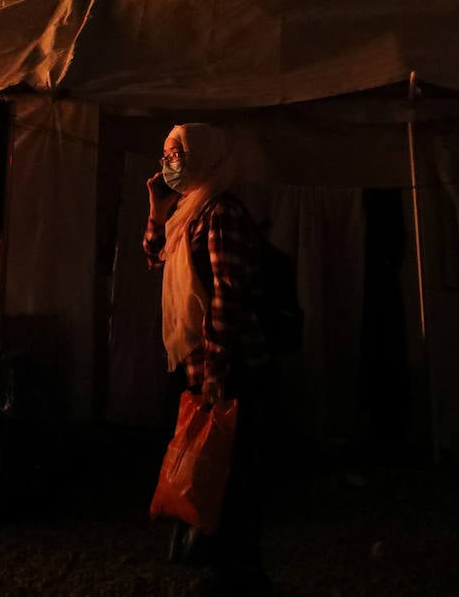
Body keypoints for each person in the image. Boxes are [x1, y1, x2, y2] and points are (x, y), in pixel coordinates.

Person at [143, 123, 273, 595]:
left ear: (205, 156)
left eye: (177, 153)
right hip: (202, 364)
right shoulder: (189, 210)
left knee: (233, 472)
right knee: (211, 465)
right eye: (166, 153)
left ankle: (239, 575)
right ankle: (224, 570)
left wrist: (217, 367)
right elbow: (156, 256)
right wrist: (157, 209)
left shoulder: (221, 212)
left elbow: (228, 294)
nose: (169, 162)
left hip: (229, 364)